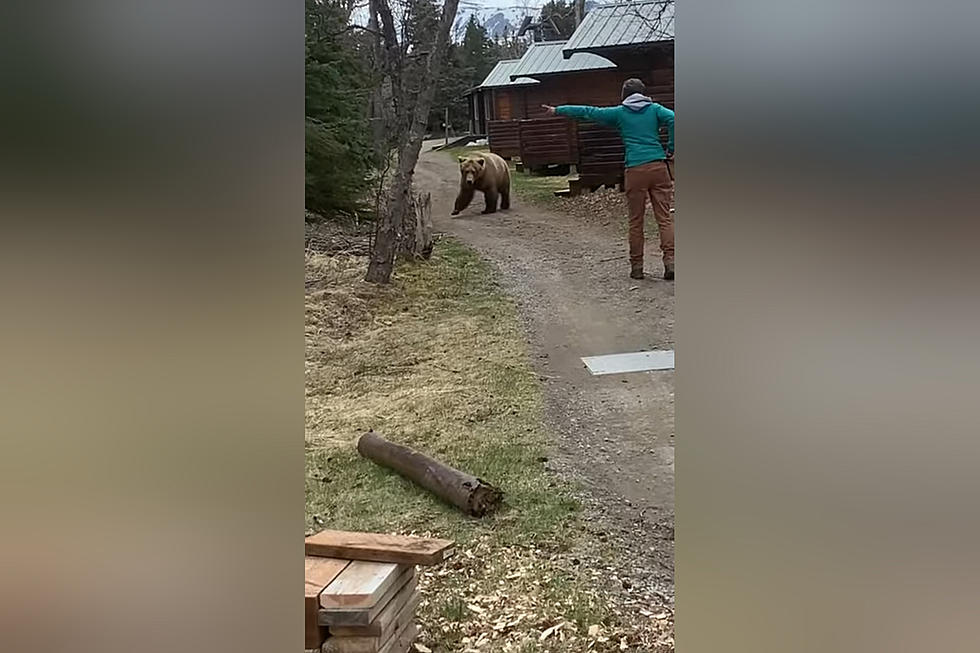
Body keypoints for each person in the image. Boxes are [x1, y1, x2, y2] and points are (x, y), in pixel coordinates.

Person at [543, 78, 675, 280]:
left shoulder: (619, 113)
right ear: (642, 92)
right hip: (658, 166)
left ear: (624, 95)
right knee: (664, 218)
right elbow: (673, 118)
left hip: (635, 169)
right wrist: (671, 149)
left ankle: (637, 267)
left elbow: (588, 111)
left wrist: (558, 110)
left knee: (636, 221)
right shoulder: (655, 109)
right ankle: (670, 262)